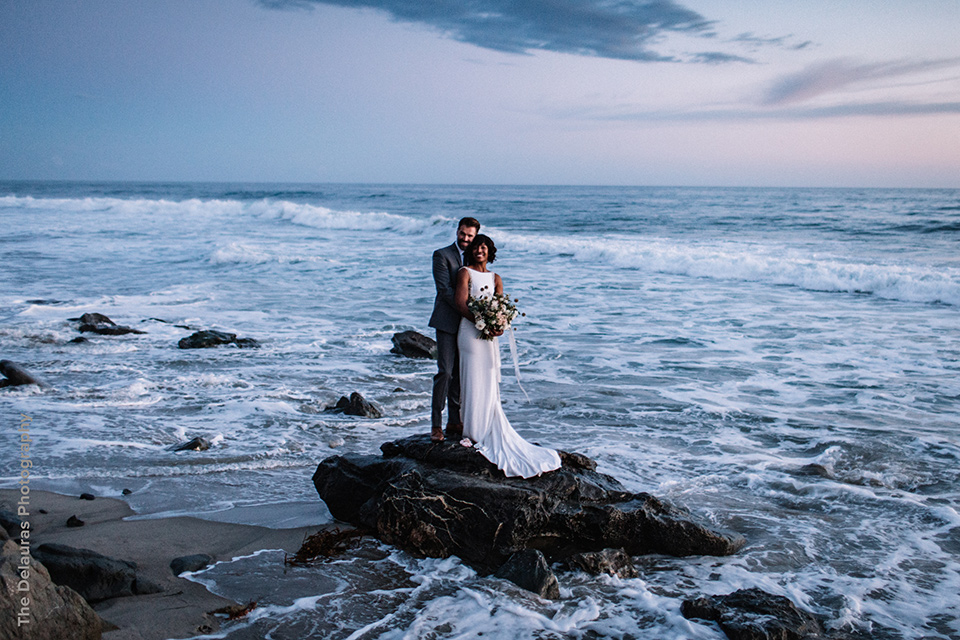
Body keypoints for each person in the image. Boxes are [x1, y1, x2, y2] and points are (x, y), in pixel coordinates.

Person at [454, 234, 561, 478]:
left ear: (489, 252)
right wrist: (481, 321)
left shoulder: (495, 277)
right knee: (471, 377)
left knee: (489, 377)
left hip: (488, 336)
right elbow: (460, 304)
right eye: (476, 247)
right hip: (470, 333)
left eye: (484, 247)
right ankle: (471, 431)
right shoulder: (465, 272)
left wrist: (499, 324)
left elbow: (500, 304)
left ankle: (488, 425)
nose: (479, 251)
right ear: (471, 251)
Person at [428, 217, 480, 442]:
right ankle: (436, 425)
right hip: (448, 321)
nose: (466, 239)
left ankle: (454, 421)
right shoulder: (442, 255)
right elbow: (444, 290)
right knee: (446, 372)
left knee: (460, 374)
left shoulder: (476, 257)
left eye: (470, 236)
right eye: (463, 234)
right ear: (457, 231)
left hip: (469, 326)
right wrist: (471, 311)